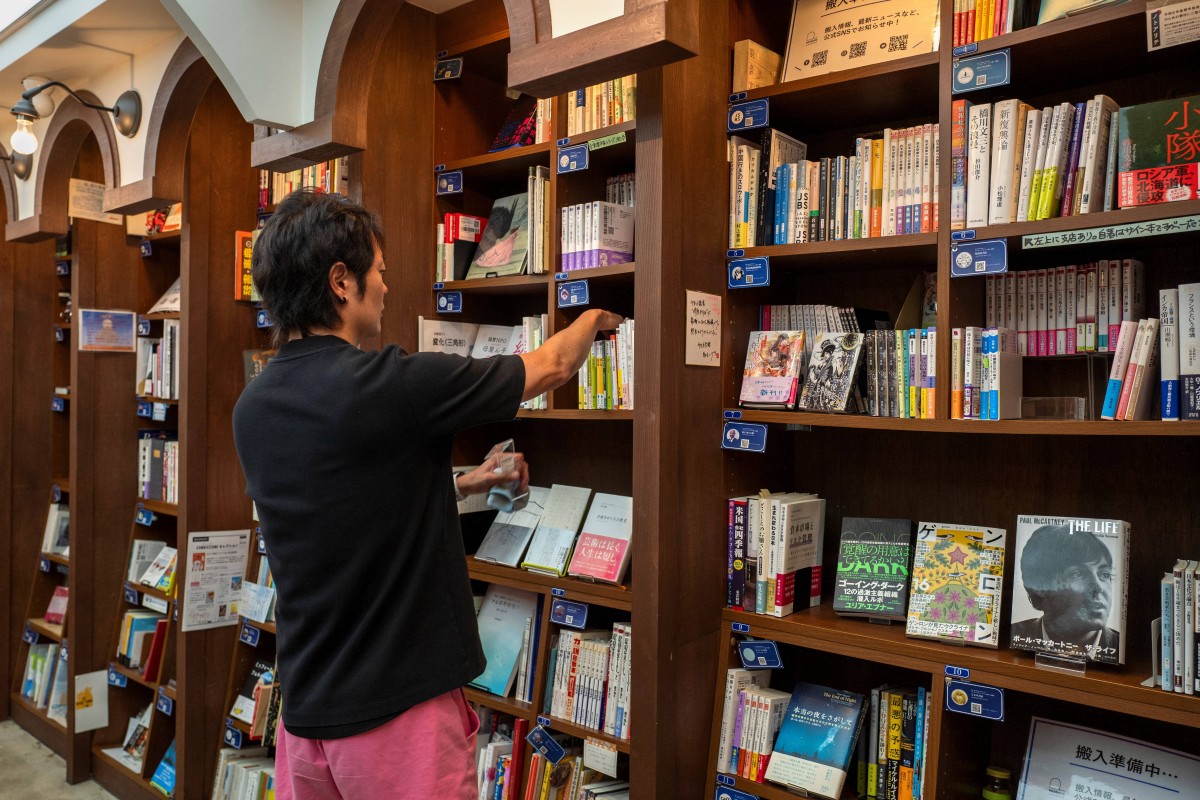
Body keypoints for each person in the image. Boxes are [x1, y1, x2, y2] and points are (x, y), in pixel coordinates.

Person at [231, 190, 623, 799]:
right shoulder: (394, 384)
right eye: (380, 272)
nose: (386, 287)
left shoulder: (251, 406)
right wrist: (596, 316)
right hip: (399, 713)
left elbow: (348, 500)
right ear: (342, 281)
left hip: (305, 718)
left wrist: (468, 481)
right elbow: (550, 367)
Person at [1010, 523, 1119, 661]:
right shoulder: (1016, 636)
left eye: (1104, 574)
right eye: (1078, 574)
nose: (1099, 587)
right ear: (1040, 585)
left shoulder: (1120, 648)